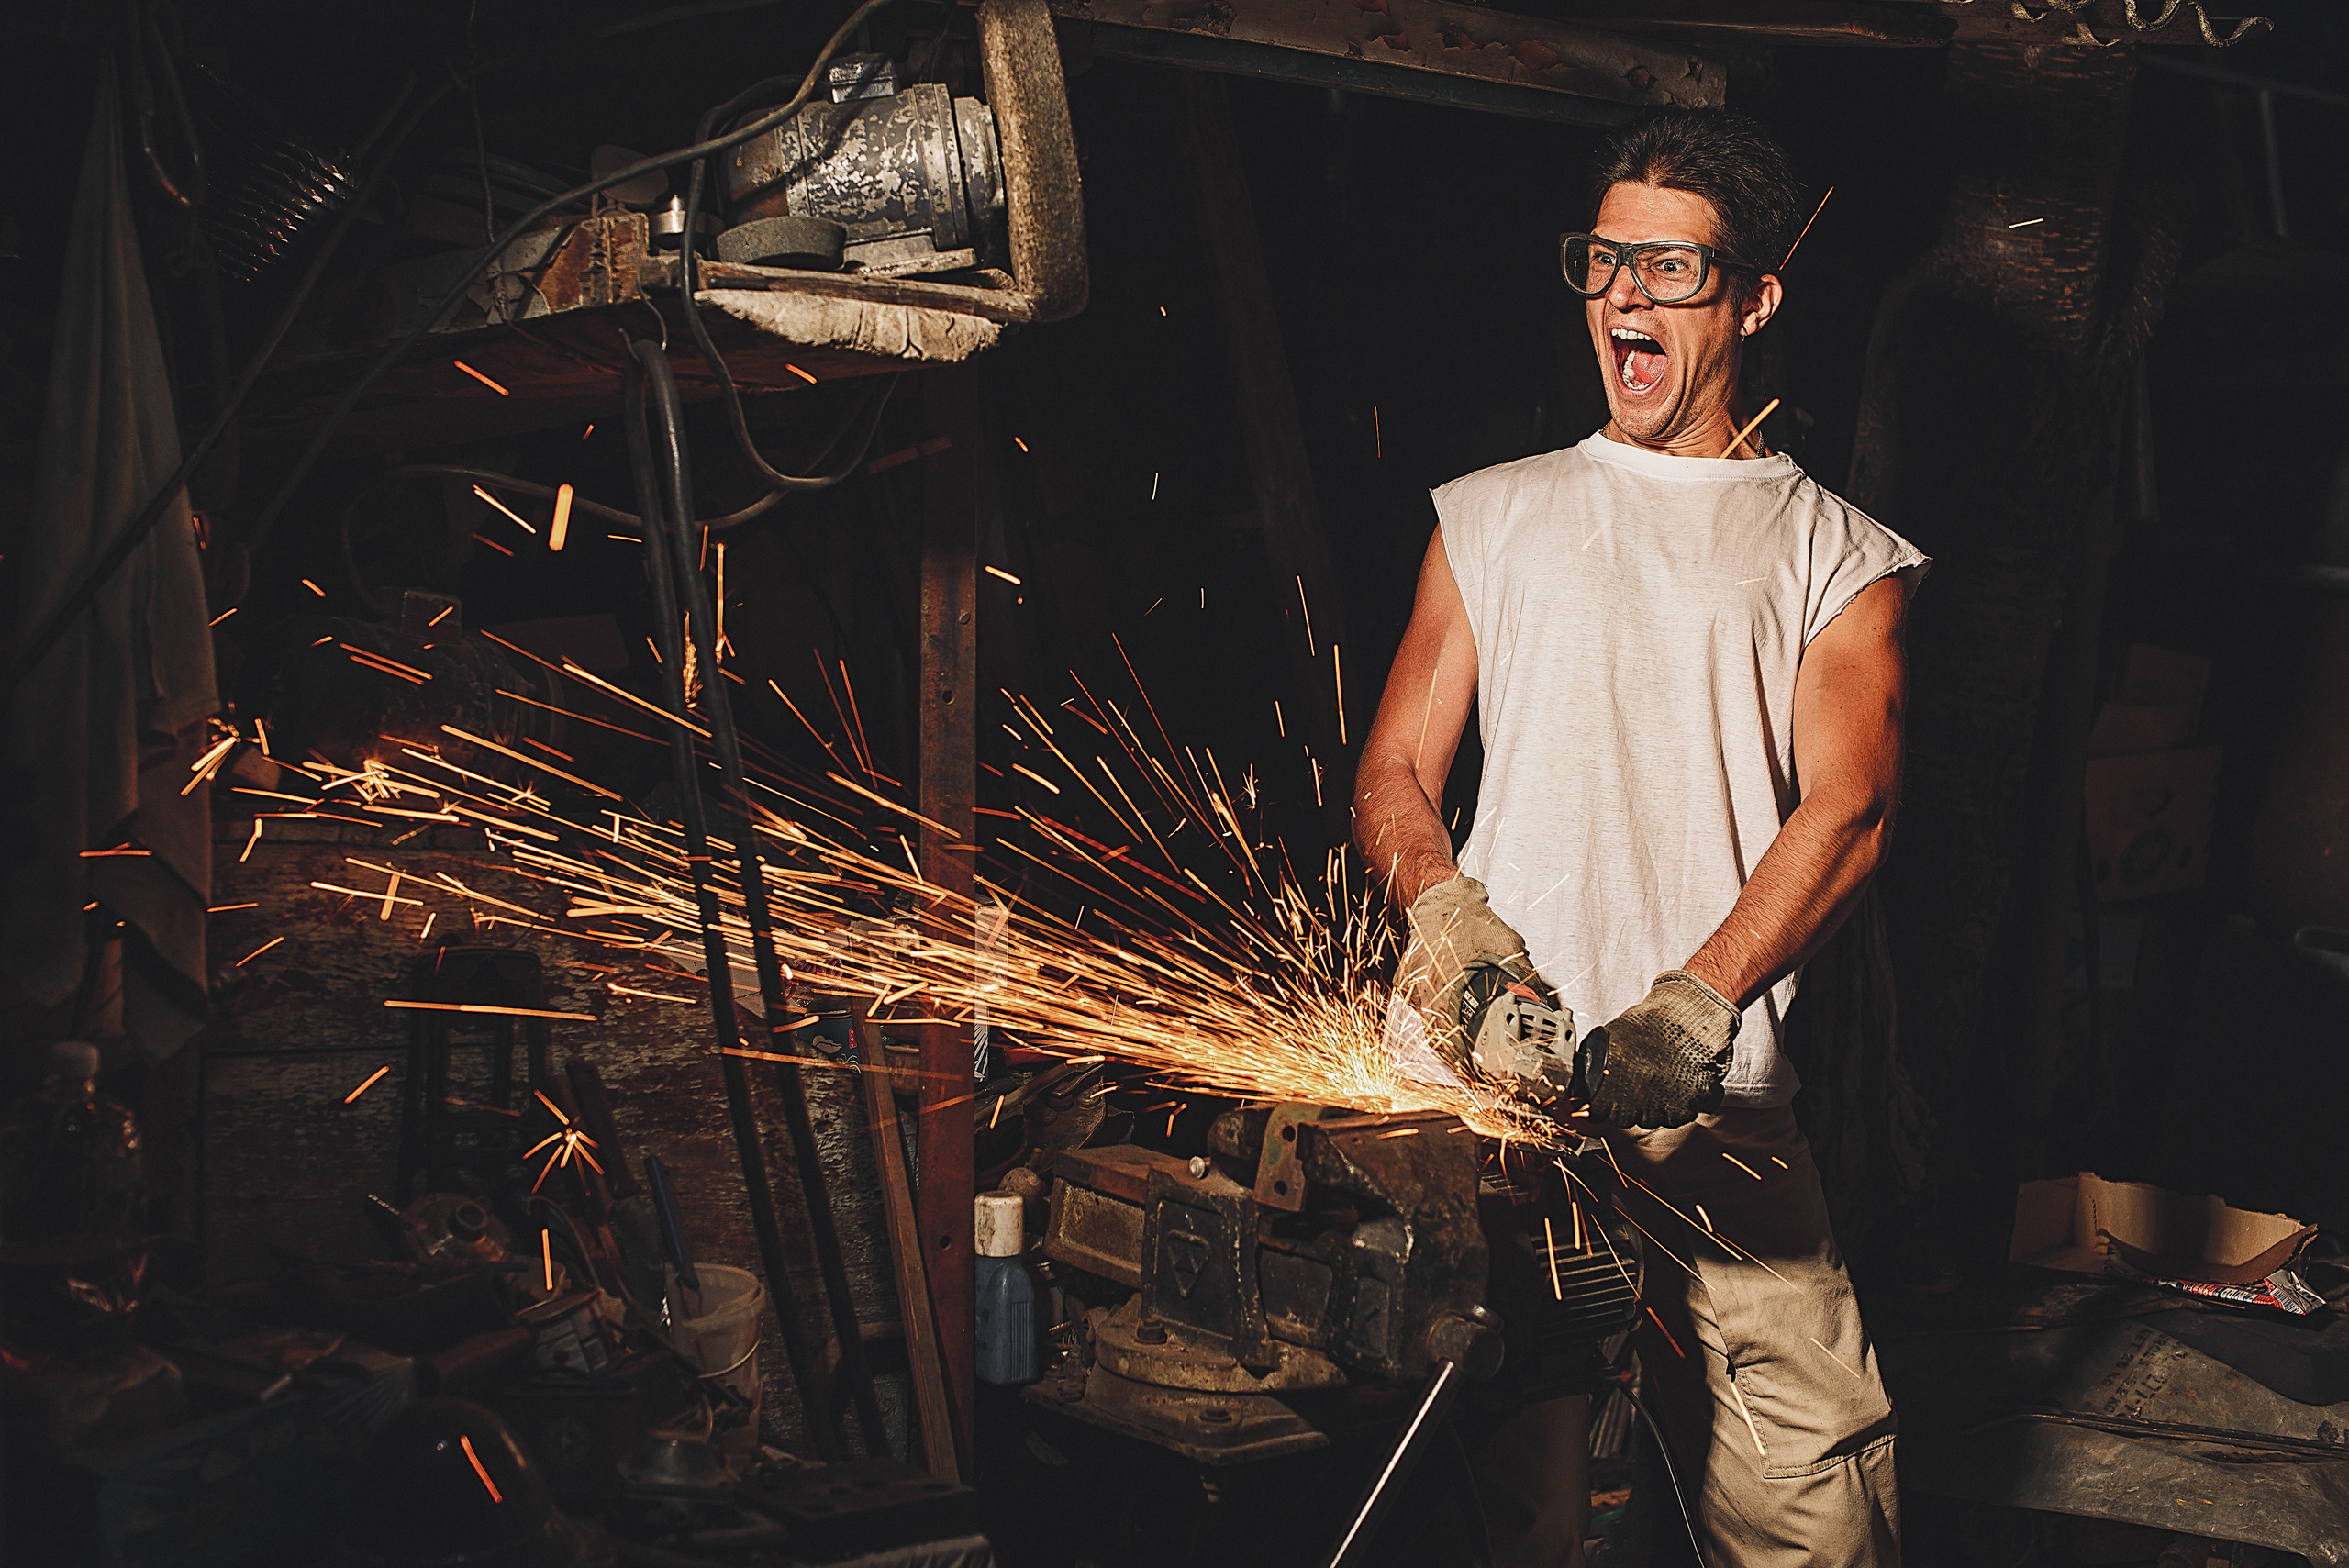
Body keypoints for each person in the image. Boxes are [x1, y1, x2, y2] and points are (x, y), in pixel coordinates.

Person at [1353, 109, 1920, 1568]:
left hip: (1716, 1122)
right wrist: (1455, 934)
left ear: (1755, 297)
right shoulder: (1493, 517)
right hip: (1498, 1105)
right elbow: (1396, 772)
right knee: (1517, 1518)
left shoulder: (1836, 553)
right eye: (1607, 263)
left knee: (1812, 1510)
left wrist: (1696, 998)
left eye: (1670, 268)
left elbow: (1847, 808)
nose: (1626, 297)